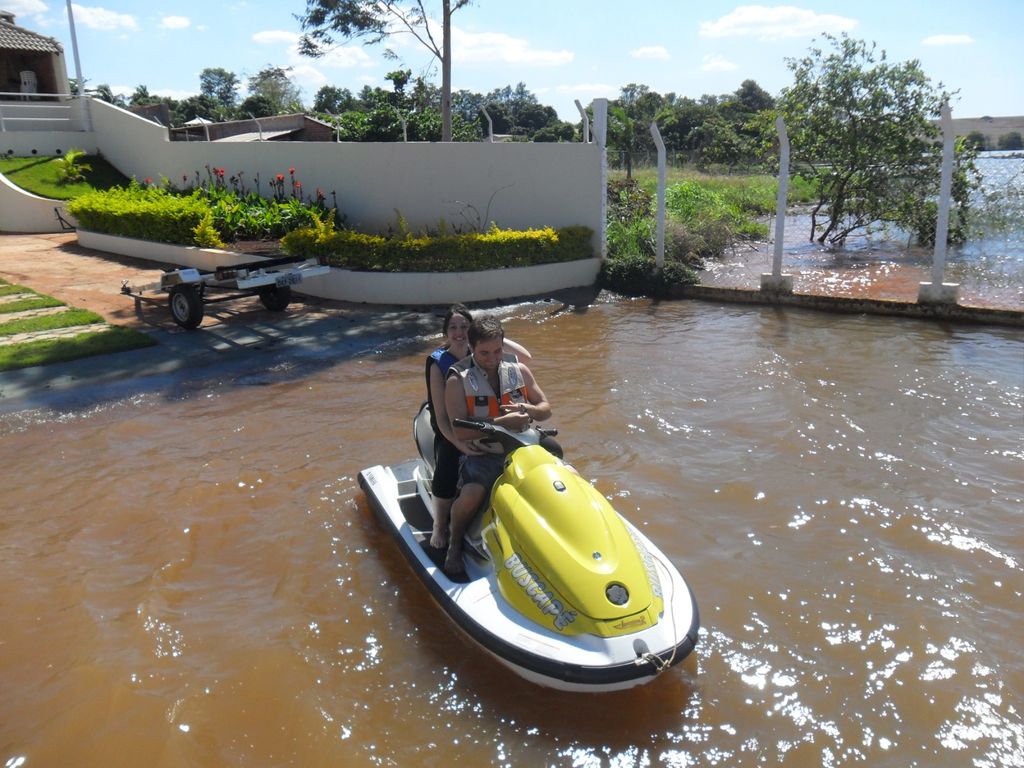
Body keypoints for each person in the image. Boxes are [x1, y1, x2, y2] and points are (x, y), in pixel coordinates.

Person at [442, 315, 552, 575]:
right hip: (484, 454)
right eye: (484, 353)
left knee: (566, 477)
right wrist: (504, 421)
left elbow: (546, 409)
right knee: (471, 496)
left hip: (524, 447)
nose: (492, 358)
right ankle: (454, 542)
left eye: (497, 350)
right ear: (471, 346)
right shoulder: (457, 379)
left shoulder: (520, 371)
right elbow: (459, 429)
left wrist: (528, 409)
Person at [424, 305, 531, 549]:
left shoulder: (489, 351)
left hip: (490, 424)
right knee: (448, 462)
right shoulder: (439, 363)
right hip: (451, 427)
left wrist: (493, 337)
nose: (459, 332)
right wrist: (459, 443)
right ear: (445, 332)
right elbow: (442, 416)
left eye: (464, 327)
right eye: (453, 327)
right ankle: (440, 525)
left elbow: (525, 359)